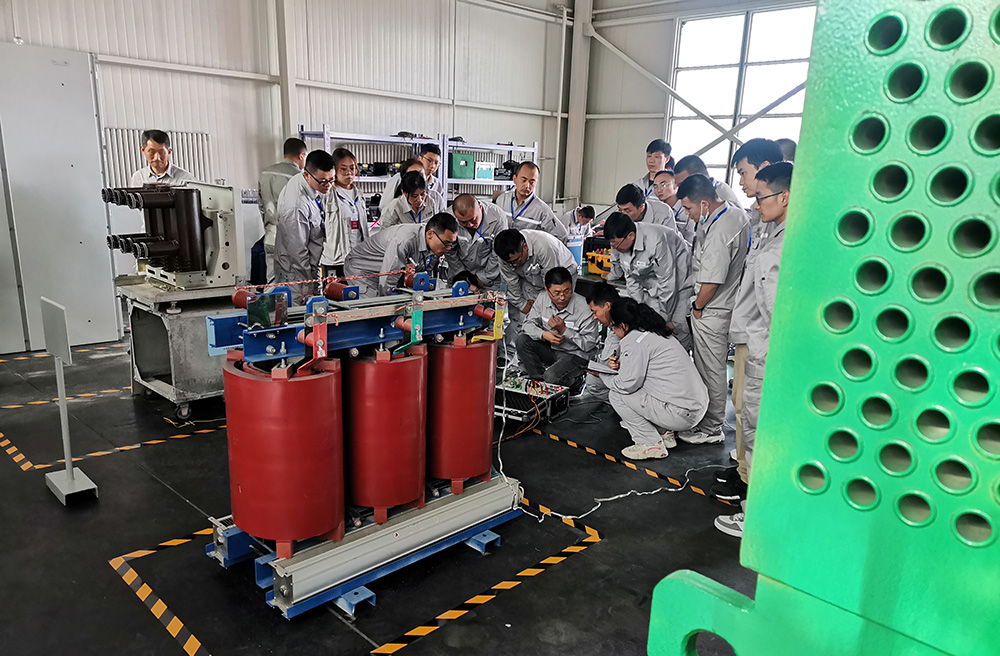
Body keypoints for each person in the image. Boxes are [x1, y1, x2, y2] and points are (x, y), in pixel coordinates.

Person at [715, 162, 792, 539]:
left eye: (761, 197)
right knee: (750, 425)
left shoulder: (783, 245)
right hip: (755, 342)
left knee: (762, 433)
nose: (755, 204)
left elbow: (777, 313)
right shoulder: (771, 231)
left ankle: (759, 520)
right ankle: (755, 503)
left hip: (768, 351)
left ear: (785, 196)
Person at [676, 174, 751, 445]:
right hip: (726, 305)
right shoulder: (735, 214)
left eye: (688, 208)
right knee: (713, 367)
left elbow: (711, 282)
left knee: (710, 370)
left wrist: (697, 306)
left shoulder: (720, 232)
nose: (687, 214)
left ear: (705, 204)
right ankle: (709, 422)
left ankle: (710, 428)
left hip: (712, 310)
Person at [603, 298, 708, 460]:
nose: (613, 332)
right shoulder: (655, 333)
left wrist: (603, 375)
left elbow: (627, 384)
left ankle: (650, 444)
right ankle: (664, 431)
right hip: (695, 408)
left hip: (681, 414)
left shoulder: (634, 340)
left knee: (616, 395)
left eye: (613, 327)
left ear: (623, 326)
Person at [603, 212, 693, 350]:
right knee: (651, 330)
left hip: (680, 286)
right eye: (611, 244)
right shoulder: (620, 243)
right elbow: (631, 279)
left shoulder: (656, 241)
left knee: (676, 329)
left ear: (631, 236)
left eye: (615, 244)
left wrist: (664, 318)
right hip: (654, 288)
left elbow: (668, 283)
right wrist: (637, 312)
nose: (613, 248)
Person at [516, 267, 600, 389]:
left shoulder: (585, 308)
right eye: (556, 293)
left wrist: (564, 330)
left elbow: (590, 345)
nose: (562, 297)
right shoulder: (542, 299)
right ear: (547, 290)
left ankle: (575, 382)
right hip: (552, 350)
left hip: (575, 355)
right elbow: (527, 325)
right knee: (522, 340)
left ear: (572, 286)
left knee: (551, 377)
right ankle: (539, 382)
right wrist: (544, 334)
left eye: (567, 291)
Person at [344, 213, 459, 297]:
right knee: (375, 308)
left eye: (452, 244)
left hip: (386, 270)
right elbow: (388, 279)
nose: (448, 248)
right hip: (362, 268)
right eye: (446, 243)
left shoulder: (434, 241)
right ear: (430, 234)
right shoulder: (404, 241)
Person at [274, 150, 333, 304]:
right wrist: (306, 285)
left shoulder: (310, 185)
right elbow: (297, 251)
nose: (328, 185)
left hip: (309, 268)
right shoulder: (296, 205)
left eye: (331, 180)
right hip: (296, 276)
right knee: (300, 313)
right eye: (323, 181)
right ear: (307, 174)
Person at [494, 228, 577, 317]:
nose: (514, 265)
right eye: (510, 263)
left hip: (562, 273)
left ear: (525, 247)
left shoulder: (543, 247)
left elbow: (553, 283)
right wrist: (522, 305)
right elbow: (510, 282)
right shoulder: (504, 255)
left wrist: (546, 308)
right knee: (528, 316)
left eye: (517, 260)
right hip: (532, 277)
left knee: (557, 313)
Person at [258, 138, 307, 282]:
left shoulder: (265, 173)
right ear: (301, 156)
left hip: (270, 236)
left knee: (272, 280)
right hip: (291, 240)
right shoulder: (298, 177)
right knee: (293, 283)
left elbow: (261, 206)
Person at [320, 147, 369, 278]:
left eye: (352, 168)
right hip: (335, 260)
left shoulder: (359, 194)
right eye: (343, 169)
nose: (349, 173)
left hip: (358, 259)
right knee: (336, 290)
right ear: (334, 170)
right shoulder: (327, 194)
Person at [445, 193, 510, 290]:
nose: (470, 225)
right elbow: (449, 251)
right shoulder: (448, 218)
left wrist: (483, 277)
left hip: (489, 277)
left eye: (473, 220)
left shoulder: (498, 218)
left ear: (480, 207)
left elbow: (498, 253)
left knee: (489, 299)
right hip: (458, 274)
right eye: (463, 222)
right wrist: (463, 276)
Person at [495, 162, 569, 240]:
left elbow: (562, 236)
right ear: (514, 179)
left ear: (536, 183)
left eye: (532, 182)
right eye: (524, 180)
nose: (527, 186)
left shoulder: (543, 210)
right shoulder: (501, 200)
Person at [579, 282, 622, 403]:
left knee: (594, 382)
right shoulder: (615, 328)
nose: (594, 317)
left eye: (595, 311)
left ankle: (622, 403)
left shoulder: (623, 329)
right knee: (593, 380)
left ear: (607, 306)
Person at [378, 144, 444, 211]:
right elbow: (384, 206)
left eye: (436, 163)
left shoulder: (437, 184)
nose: (433, 166)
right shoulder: (399, 178)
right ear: (420, 158)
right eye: (429, 160)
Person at [379, 171, 444, 228]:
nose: (420, 200)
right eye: (414, 196)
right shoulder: (393, 209)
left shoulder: (430, 202)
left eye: (422, 194)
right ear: (403, 192)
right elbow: (385, 234)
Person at [672, 155, 742, 207]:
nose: (681, 189)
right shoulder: (691, 197)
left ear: (698, 176)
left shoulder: (721, 191)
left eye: (682, 184)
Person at [129, 129, 194, 186]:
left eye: (161, 152)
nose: (157, 158)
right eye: (152, 152)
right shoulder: (138, 178)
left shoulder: (186, 179)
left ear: (169, 152)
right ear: (143, 150)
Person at [614, 183, 681, 234]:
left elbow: (672, 241)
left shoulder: (663, 212)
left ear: (641, 207)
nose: (622, 214)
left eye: (627, 210)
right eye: (620, 209)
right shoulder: (619, 214)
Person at [651, 170, 695, 244]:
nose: (658, 190)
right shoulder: (656, 209)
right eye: (655, 186)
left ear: (675, 185)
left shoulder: (687, 208)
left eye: (663, 184)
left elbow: (691, 238)